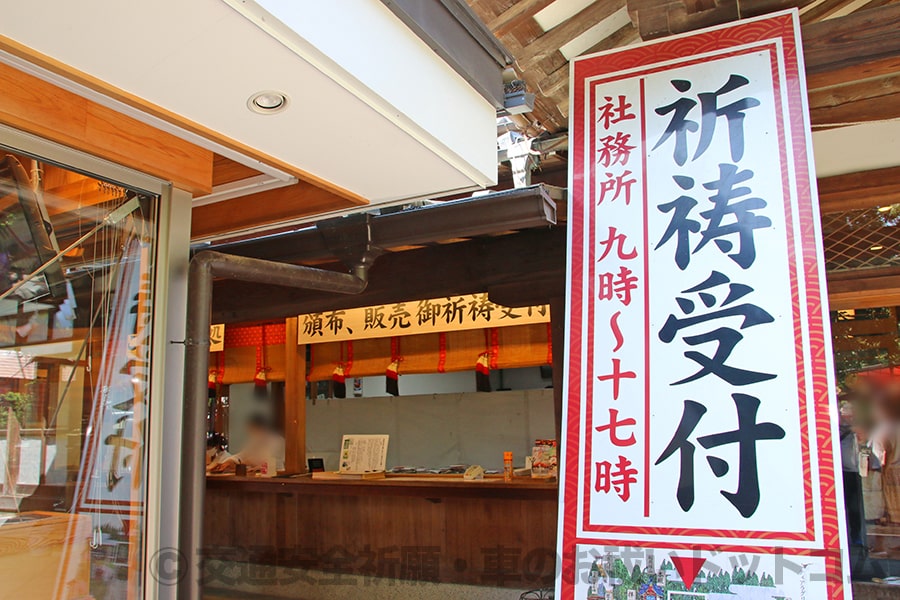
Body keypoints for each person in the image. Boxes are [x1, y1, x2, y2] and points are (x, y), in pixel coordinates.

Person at [211, 414, 284, 473]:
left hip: (275, 474)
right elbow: (242, 455)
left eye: (252, 429)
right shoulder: (254, 440)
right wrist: (229, 462)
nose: (251, 432)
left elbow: (268, 461)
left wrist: (246, 462)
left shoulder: (277, 441)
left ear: (261, 427)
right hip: (257, 475)